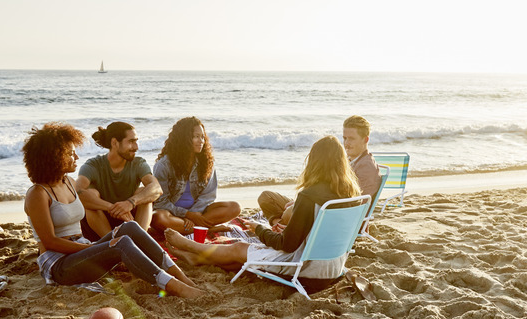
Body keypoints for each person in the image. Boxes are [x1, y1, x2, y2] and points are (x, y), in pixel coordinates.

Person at [22, 122, 203, 298]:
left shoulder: (68, 182)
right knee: (121, 242)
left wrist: (92, 245)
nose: (76, 157)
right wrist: (92, 246)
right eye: (70, 153)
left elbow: (153, 189)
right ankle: (173, 286)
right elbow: (50, 242)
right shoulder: (37, 194)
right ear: (54, 157)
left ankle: (181, 276)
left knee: (130, 228)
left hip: (81, 250)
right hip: (59, 264)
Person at [164, 136, 362, 281]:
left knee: (241, 248)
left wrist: (258, 229)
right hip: (333, 268)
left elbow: (286, 246)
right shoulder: (352, 195)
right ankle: (196, 259)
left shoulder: (309, 196)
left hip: (306, 272)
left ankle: (192, 246)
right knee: (246, 258)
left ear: (314, 163)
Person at [257, 115, 380, 230]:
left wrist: (304, 205)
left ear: (366, 139)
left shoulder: (366, 168)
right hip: (319, 206)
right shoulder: (345, 160)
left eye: (351, 139)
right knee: (266, 197)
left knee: (290, 211)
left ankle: (282, 228)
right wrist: (300, 203)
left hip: (332, 218)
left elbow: (351, 207)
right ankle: (279, 225)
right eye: (344, 138)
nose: (346, 143)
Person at [150, 117, 240, 234]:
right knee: (158, 218)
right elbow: (161, 202)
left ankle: (189, 228)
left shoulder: (206, 162)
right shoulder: (164, 165)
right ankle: (206, 229)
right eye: (196, 136)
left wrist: (195, 215)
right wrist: (187, 215)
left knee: (234, 207)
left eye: (202, 137)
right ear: (184, 138)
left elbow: (208, 195)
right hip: (171, 213)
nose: (201, 141)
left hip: (199, 212)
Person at [75, 122, 163, 241]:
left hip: (128, 220)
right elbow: (77, 193)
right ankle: (113, 243)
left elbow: (157, 188)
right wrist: (112, 208)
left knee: (144, 194)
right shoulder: (93, 165)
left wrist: (130, 202)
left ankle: (139, 241)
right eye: (131, 141)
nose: (136, 147)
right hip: (99, 230)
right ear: (114, 143)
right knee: (90, 194)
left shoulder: (138, 163)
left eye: (136, 141)